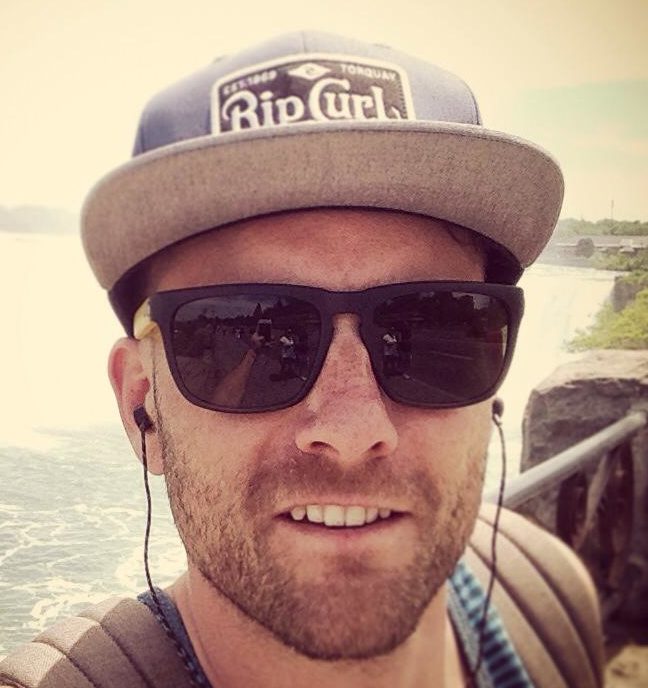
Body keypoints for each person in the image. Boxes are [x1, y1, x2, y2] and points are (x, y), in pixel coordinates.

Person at [0, 31, 604, 688]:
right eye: (245, 336)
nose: (351, 429)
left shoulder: (549, 599)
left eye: (431, 325)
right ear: (142, 406)